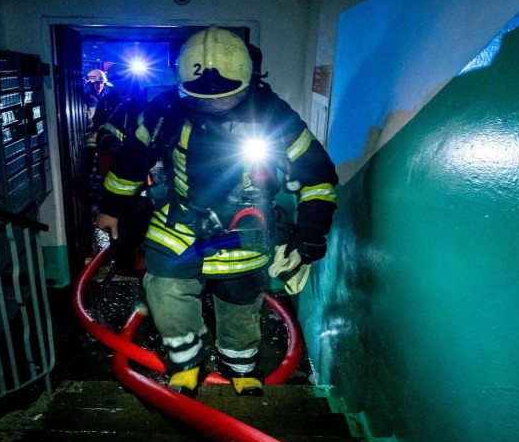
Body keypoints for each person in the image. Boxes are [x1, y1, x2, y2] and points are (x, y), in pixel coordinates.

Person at [96, 26, 338, 397]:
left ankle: (241, 369)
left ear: (247, 82)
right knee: (165, 292)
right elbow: (131, 161)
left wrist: (309, 237)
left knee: (240, 303)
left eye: (226, 97)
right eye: (201, 98)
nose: (212, 106)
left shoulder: (271, 113)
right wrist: (111, 208)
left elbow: (316, 176)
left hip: (244, 230)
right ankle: (186, 366)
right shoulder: (165, 109)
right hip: (178, 225)